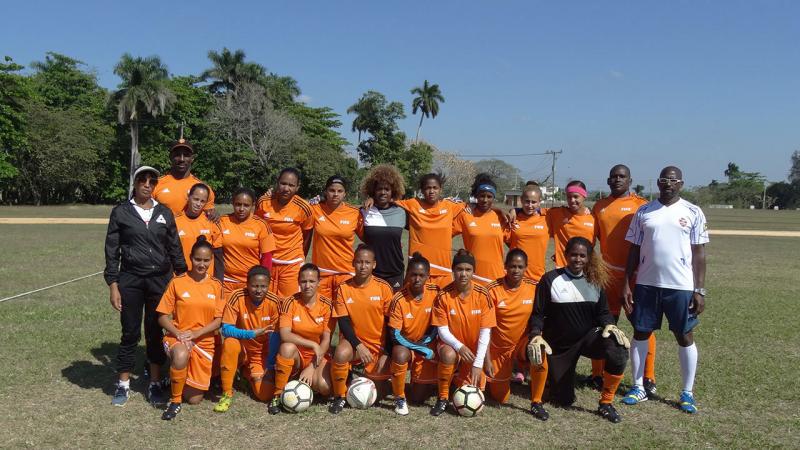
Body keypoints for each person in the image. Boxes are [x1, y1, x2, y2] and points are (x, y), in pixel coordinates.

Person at [621, 166, 708, 414]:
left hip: (680, 286)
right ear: (657, 183)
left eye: (673, 180)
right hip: (647, 285)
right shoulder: (644, 211)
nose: (667, 184)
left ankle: (687, 393)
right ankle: (638, 387)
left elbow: (699, 253)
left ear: (680, 184)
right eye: (663, 180)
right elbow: (634, 251)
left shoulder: (693, 212)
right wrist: (627, 283)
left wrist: (699, 289)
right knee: (640, 332)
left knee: (684, 335)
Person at [104, 165, 187, 407]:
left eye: (152, 180)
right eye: (143, 179)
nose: (147, 184)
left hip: (159, 280)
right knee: (130, 332)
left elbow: (174, 247)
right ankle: (123, 384)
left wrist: (182, 274)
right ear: (135, 182)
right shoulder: (121, 212)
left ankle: (154, 383)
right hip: (131, 279)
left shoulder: (164, 212)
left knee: (154, 332)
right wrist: (113, 284)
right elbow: (112, 251)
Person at [526, 237, 630, 423]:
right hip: (560, 346)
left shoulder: (595, 281)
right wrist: (535, 334)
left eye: (582, 255)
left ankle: (606, 403)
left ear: (589, 258)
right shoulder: (550, 279)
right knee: (562, 400)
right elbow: (538, 313)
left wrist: (609, 324)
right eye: (573, 254)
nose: (577, 259)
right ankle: (550, 382)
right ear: (565, 255)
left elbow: (603, 312)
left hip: (588, 338)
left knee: (617, 347)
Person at [590, 165, 652, 390]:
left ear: (630, 180)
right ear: (608, 181)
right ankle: (598, 373)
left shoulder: (642, 206)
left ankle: (648, 376)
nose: (617, 179)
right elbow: (590, 239)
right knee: (605, 325)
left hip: (636, 275)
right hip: (608, 275)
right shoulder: (600, 206)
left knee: (642, 326)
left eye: (622, 176)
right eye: (614, 177)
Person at [156, 236, 224, 420]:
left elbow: (218, 321)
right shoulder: (178, 282)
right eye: (197, 259)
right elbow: (162, 316)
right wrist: (179, 334)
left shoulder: (216, 286)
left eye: (206, 260)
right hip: (177, 338)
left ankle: (174, 377)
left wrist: (195, 334)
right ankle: (175, 401)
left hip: (204, 341)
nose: (201, 264)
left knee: (194, 399)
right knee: (180, 355)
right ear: (190, 258)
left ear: (211, 261)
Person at [329, 244, 395, 414]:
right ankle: (339, 396)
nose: (363, 266)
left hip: (378, 347)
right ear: (353, 263)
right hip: (355, 345)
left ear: (374, 264)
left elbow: (391, 325)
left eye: (367, 262)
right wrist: (358, 345)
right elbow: (343, 322)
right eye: (359, 262)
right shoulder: (344, 288)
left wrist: (387, 352)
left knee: (377, 393)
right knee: (341, 353)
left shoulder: (384, 288)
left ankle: (356, 378)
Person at [430, 249, 496, 416]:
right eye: (459, 269)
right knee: (448, 355)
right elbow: (442, 331)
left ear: (474, 272)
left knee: (483, 391)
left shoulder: (483, 294)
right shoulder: (443, 295)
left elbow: (485, 333)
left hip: (474, 351)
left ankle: (459, 375)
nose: (463, 274)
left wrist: (478, 364)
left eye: (468, 270)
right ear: (453, 270)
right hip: (452, 345)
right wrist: (459, 347)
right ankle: (443, 398)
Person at [270, 263, 335, 414]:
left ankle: (306, 383)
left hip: (317, 357)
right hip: (296, 355)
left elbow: (326, 340)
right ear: (298, 282)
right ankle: (278, 394)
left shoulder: (326, 305)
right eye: (304, 281)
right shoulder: (289, 302)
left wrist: (312, 366)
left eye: (312, 281)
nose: (307, 285)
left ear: (319, 282)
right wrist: (312, 344)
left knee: (325, 387)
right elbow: (285, 335)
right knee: (286, 347)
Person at [214, 266, 281, 412]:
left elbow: (277, 337)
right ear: (247, 284)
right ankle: (226, 393)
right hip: (242, 348)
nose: (258, 290)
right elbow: (225, 329)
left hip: (261, 354)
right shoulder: (236, 296)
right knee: (230, 343)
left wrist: (270, 367)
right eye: (254, 286)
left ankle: (246, 373)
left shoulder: (274, 302)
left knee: (264, 394)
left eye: (263, 286)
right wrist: (252, 334)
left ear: (269, 285)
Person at [392, 173, 467, 288]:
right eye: (427, 188)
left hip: (443, 271)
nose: (431, 191)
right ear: (422, 190)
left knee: (442, 305)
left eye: (435, 188)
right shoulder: (413, 204)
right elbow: (387, 200)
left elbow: (476, 205)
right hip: (418, 272)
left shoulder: (450, 206)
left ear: (440, 189)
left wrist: (498, 210)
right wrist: (371, 198)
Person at [388, 252, 440, 415]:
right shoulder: (398, 299)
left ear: (428, 276)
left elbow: (438, 324)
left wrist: (427, 342)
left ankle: (433, 382)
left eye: (421, 275)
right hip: (407, 345)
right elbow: (394, 335)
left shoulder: (436, 293)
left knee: (418, 397)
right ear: (407, 275)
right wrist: (420, 348)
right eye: (413, 275)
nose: (417, 279)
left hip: (427, 342)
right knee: (399, 354)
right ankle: (399, 398)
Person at [484, 249, 537, 404]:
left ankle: (537, 391)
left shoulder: (534, 288)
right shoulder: (492, 290)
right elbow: (485, 329)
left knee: (539, 348)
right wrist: (486, 359)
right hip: (499, 350)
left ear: (526, 267)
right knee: (501, 397)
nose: (516, 270)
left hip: (522, 345)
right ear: (505, 266)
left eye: (520, 267)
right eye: (512, 266)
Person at [255, 168, 314, 297]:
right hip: (267, 261)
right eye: (283, 183)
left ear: (297, 187)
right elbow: (256, 228)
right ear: (277, 183)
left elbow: (307, 236)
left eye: (291, 185)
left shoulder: (304, 208)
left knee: (289, 302)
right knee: (267, 301)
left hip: (291, 263)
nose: (286, 188)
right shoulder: (263, 202)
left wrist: (299, 258)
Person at [308, 175, 363, 299]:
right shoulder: (315, 209)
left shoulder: (354, 213)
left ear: (345, 194)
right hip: (321, 273)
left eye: (340, 191)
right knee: (322, 315)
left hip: (346, 273)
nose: (335, 194)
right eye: (332, 190)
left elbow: (368, 238)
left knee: (344, 316)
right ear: (325, 192)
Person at [359, 164, 408, 291]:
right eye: (379, 189)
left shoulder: (402, 212)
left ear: (393, 191)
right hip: (371, 271)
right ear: (373, 191)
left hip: (395, 272)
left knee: (393, 310)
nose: (383, 192)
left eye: (387, 189)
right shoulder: (364, 211)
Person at [219, 188, 276, 296]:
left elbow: (267, 257)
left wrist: (262, 281)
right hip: (226, 281)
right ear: (232, 203)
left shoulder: (261, 225)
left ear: (253, 205)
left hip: (250, 282)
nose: (241, 209)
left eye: (246, 205)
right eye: (238, 204)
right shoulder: (222, 221)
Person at [453, 174, 508, 285]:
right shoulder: (466, 215)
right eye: (482, 196)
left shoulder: (501, 217)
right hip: (473, 276)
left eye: (489, 196)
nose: (485, 200)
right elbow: (444, 232)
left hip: (497, 276)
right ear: (476, 196)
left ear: (494, 198)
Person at [153, 138, 217, 220]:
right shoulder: (156, 184)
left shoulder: (203, 189)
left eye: (186, 155)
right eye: (177, 155)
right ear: (170, 157)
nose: (182, 159)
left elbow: (209, 216)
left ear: (192, 158)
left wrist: (214, 214)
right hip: (163, 232)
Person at [175, 183, 224, 281]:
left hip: (206, 279)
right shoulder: (175, 222)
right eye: (196, 199)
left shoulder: (211, 222)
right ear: (188, 197)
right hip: (181, 278)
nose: (198, 204)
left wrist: (219, 280)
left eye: (202, 201)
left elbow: (218, 255)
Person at [505, 182, 549, 282]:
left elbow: (565, 212)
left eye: (533, 202)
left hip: (537, 277)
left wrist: (586, 209)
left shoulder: (547, 218)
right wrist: (514, 210)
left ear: (539, 202)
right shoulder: (513, 218)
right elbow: (508, 241)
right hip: (515, 275)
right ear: (521, 200)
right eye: (527, 201)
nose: (530, 205)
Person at [547, 180, 596, 269]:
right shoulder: (557, 213)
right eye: (569, 197)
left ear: (584, 196)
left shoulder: (594, 218)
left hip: (586, 269)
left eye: (576, 196)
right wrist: (515, 211)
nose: (572, 200)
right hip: (563, 269)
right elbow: (534, 210)